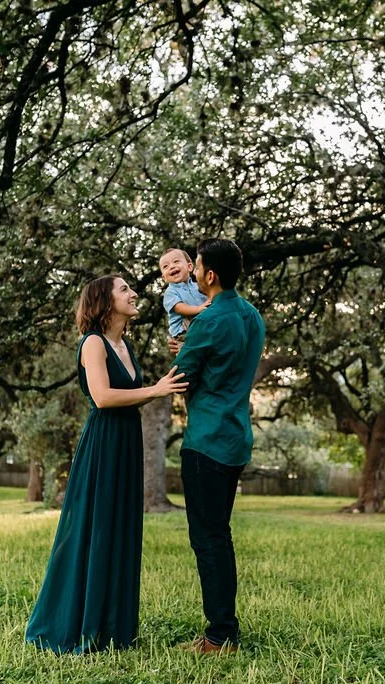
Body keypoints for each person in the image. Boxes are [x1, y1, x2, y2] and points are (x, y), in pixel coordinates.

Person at [26, 275, 188, 654]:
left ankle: (113, 628)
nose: (134, 294)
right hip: (103, 445)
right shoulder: (93, 343)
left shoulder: (125, 344)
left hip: (127, 444)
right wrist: (156, 389)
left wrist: (175, 360)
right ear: (103, 300)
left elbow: (133, 396)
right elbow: (101, 397)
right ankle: (75, 624)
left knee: (120, 528)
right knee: (93, 529)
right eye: (124, 289)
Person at [171, 239, 265, 654]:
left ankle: (220, 634)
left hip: (206, 440)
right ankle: (224, 627)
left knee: (208, 538)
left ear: (210, 276)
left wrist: (181, 351)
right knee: (219, 535)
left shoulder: (208, 320)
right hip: (236, 438)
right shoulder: (253, 316)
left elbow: (182, 377)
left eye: (197, 269)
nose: (191, 275)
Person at [159, 247, 210, 342]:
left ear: (189, 267)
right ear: (164, 277)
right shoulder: (170, 292)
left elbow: (209, 298)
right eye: (165, 266)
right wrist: (198, 309)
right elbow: (179, 308)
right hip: (183, 332)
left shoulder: (198, 286)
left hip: (201, 327)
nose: (171, 267)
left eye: (176, 261)